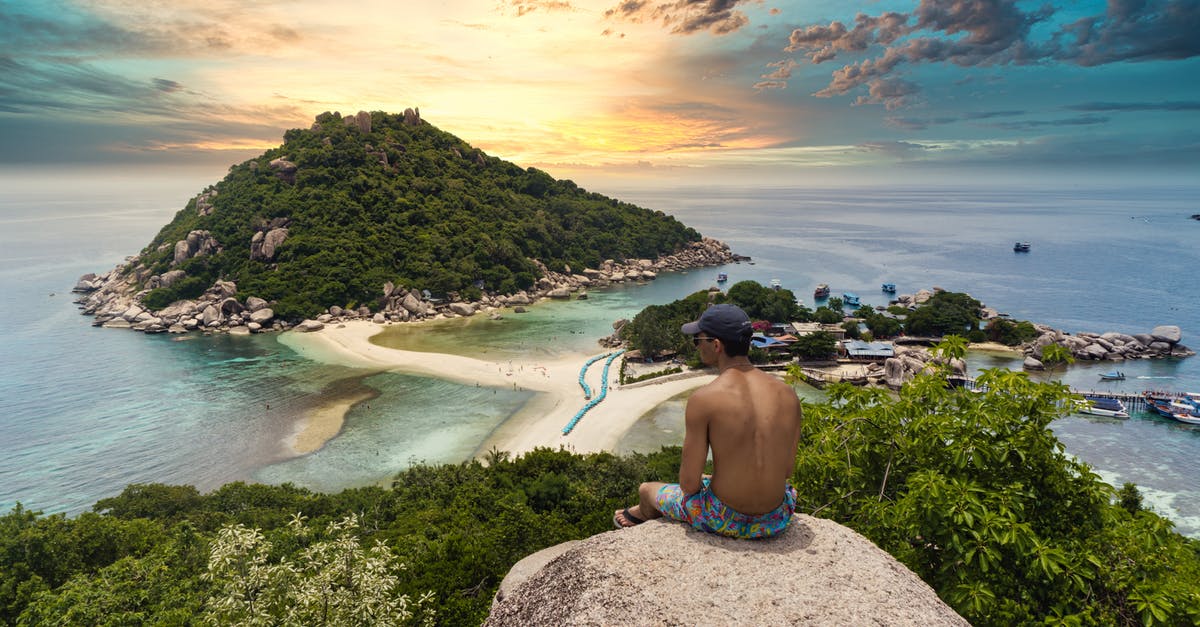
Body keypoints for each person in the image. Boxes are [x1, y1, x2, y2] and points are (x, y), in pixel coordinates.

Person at [613, 303, 802, 539]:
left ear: (716, 345)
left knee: (647, 489)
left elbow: (689, 485)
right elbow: (786, 470)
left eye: (697, 340)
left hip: (723, 517)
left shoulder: (704, 399)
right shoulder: (788, 395)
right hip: (776, 517)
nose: (696, 346)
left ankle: (640, 512)